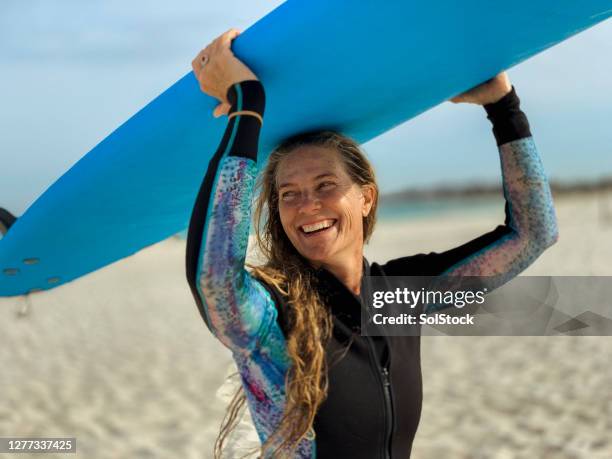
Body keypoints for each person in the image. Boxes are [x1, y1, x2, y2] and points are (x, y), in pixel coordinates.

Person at [185, 29, 558, 458]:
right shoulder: (272, 317)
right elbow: (214, 278)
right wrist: (247, 106)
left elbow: (532, 234)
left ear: (366, 198)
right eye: (288, 194)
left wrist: (503, 106)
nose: (307, 205)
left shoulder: (398, 296)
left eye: (326, 185)